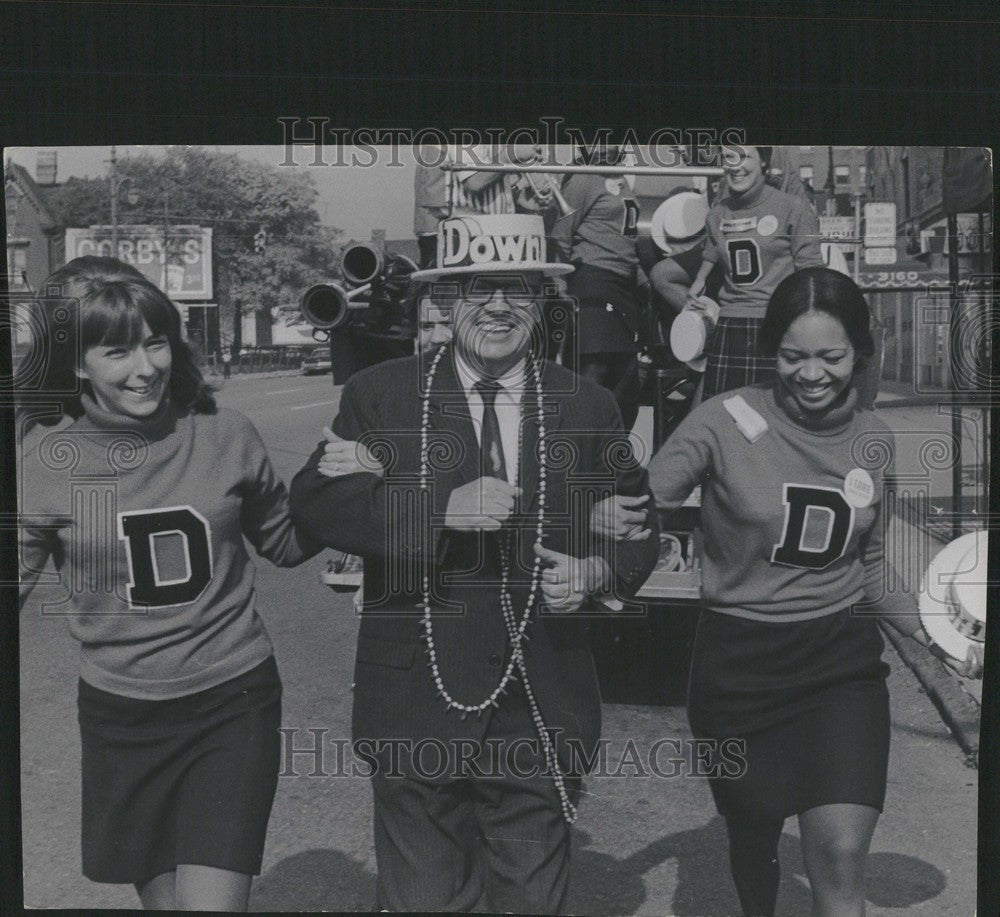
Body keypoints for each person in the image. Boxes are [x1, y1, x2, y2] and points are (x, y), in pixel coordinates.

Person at [289, 213, 659, 914]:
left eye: (516, 289)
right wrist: (437, 510)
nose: (496, 306)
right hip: (415, 703)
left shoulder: (587, 404)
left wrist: (598, 571)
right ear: (444, 299)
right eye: (476, 289)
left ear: (544, 301)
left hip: (541, 704)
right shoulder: (383, 394)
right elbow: (315, 504)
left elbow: (641, 528)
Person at [596, 267, 983, 916]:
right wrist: (608, 526)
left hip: (840, 669)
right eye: (792, 356)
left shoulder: (874, 440)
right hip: (739, 670)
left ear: (859, 354)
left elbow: (874, 567)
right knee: (755, 851)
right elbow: (639, 508)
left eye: (831, 357)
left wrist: (939, 637)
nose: (811, 374)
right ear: (770, 352)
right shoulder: (720, 421)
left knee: (836, 855)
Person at [16, 257, 320, 911]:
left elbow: (289, 541)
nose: (145, 366)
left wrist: (344, 476)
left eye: (155, 342)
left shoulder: (225, 433)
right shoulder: (41, 464)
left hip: (232, 701)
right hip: (120, 717)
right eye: (118, 350)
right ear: (75, 363)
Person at [687, 145, 825, 399]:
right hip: (730, 326)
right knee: (723, 417)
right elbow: (714, 247)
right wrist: (699, 279)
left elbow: (812, 271)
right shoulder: (717, 214)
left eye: (746, 157)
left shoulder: (793, 207)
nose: (736, 165)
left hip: (777, 325)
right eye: (730, 157)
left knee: (776, 419)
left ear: (763, 161)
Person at [548, 144, 645, 431]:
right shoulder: (582, 179)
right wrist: (560, 288)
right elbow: (560, 237)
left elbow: (625, 240)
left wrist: (643, 280)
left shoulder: (620, 179)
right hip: (592, 280)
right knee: (593, 371)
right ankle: (575, 451)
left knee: (627, 380)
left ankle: (612, 459)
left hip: (623, 286)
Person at [413, 141, 542, 269]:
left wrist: (519, 196)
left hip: (477, 236)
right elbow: (475, 182)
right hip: (454, 238)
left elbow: (484, 187)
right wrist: (512, 154)